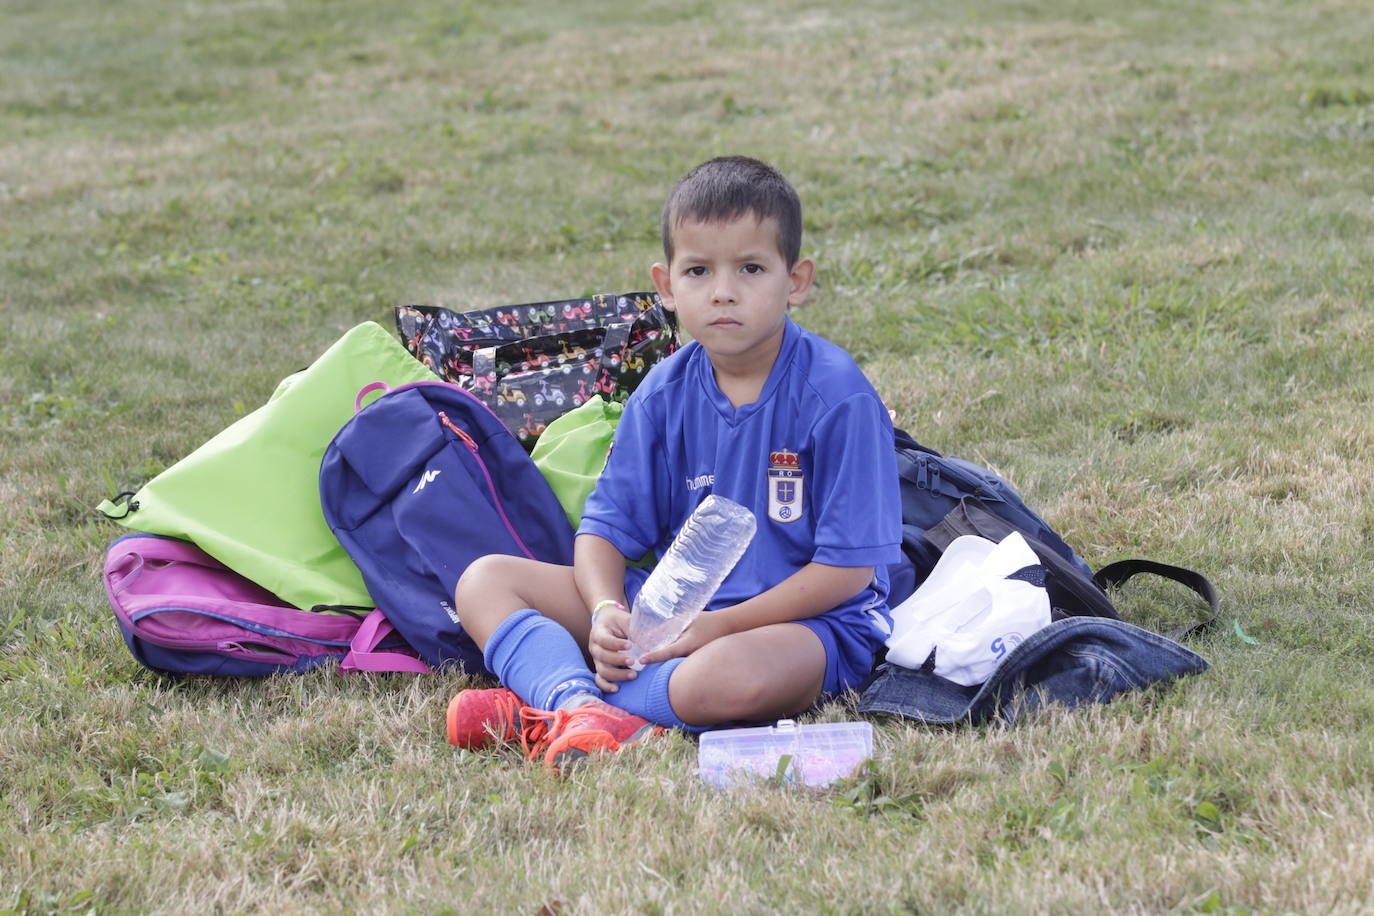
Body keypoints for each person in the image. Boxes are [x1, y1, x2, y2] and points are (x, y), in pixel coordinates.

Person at [446, 156, 902, 772]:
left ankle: (552, 699)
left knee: (724, 678)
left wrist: (716, 630)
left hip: (808, 626)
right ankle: (576, 705)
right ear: (666, 285)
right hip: (665, 613)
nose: (722, 290)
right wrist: (609, 611)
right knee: (485, 582)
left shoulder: (836, 395)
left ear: (795, 280)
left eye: (750, 268)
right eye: (698, 270)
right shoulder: (661, 394)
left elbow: (846, 574)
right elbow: (605, 532)